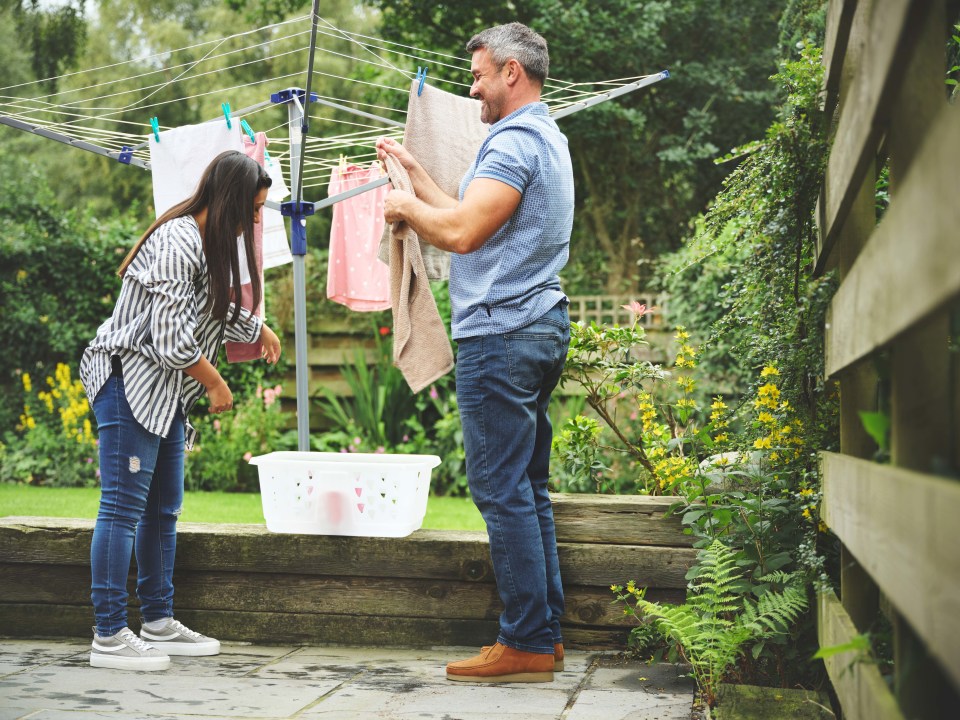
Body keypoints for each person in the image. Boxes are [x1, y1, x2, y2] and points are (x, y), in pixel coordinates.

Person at [377, 22, 574, 683]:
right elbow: (472, 214)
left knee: (500, 489)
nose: (473, 86)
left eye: (481, 74)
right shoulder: (546, 136)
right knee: (528, 488)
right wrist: (414, 176)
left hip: (502, 333)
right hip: (537, 325)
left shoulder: (513, 141)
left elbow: (459, 233)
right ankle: (543, 637)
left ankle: (522, 641)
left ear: (512, 73)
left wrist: (403, 204)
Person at [79, 150, 282, 671]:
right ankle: (108, 633)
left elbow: (208, 307)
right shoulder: (178, 241)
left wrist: (256, 328)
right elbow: (171, 339)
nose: (256, 220)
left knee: (163, 508)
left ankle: (157, 620)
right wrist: (216, 384)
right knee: (122, 508)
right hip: (130, 383)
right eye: (254, 209)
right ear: (232, 200)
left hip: (164, 393)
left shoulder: (207, 242)